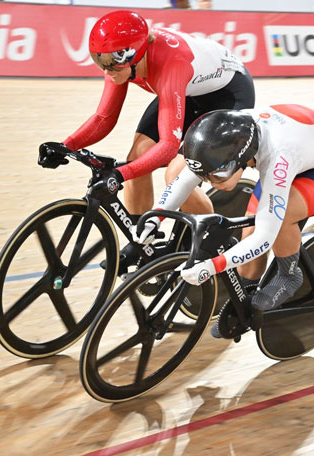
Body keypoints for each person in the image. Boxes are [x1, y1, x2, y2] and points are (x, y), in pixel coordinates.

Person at [37, 10, 255, 271]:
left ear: (135, 54)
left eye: (112, 61)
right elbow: (104, 118)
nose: (107, 68)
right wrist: (66, 145)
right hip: (189, 91)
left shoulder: (170, 64)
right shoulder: (122, 64)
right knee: (138, 157)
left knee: (176, 174)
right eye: (100, 60)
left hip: (228, 95)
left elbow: (167, 148)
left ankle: (213, 235)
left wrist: (120, 175)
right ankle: (143, 244)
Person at [133, 105, 314, 337]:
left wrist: (213, 266)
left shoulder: (277, 157)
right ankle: (246, 304)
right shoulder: (225, 139)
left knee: (282, 214)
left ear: (242, 157)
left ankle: (289, 275)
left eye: (216, 175)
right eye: (204, 175)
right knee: (250, 242)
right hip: (305, 151)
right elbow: (184, 181)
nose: (209, 182)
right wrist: (154, 218)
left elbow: (264, 238)